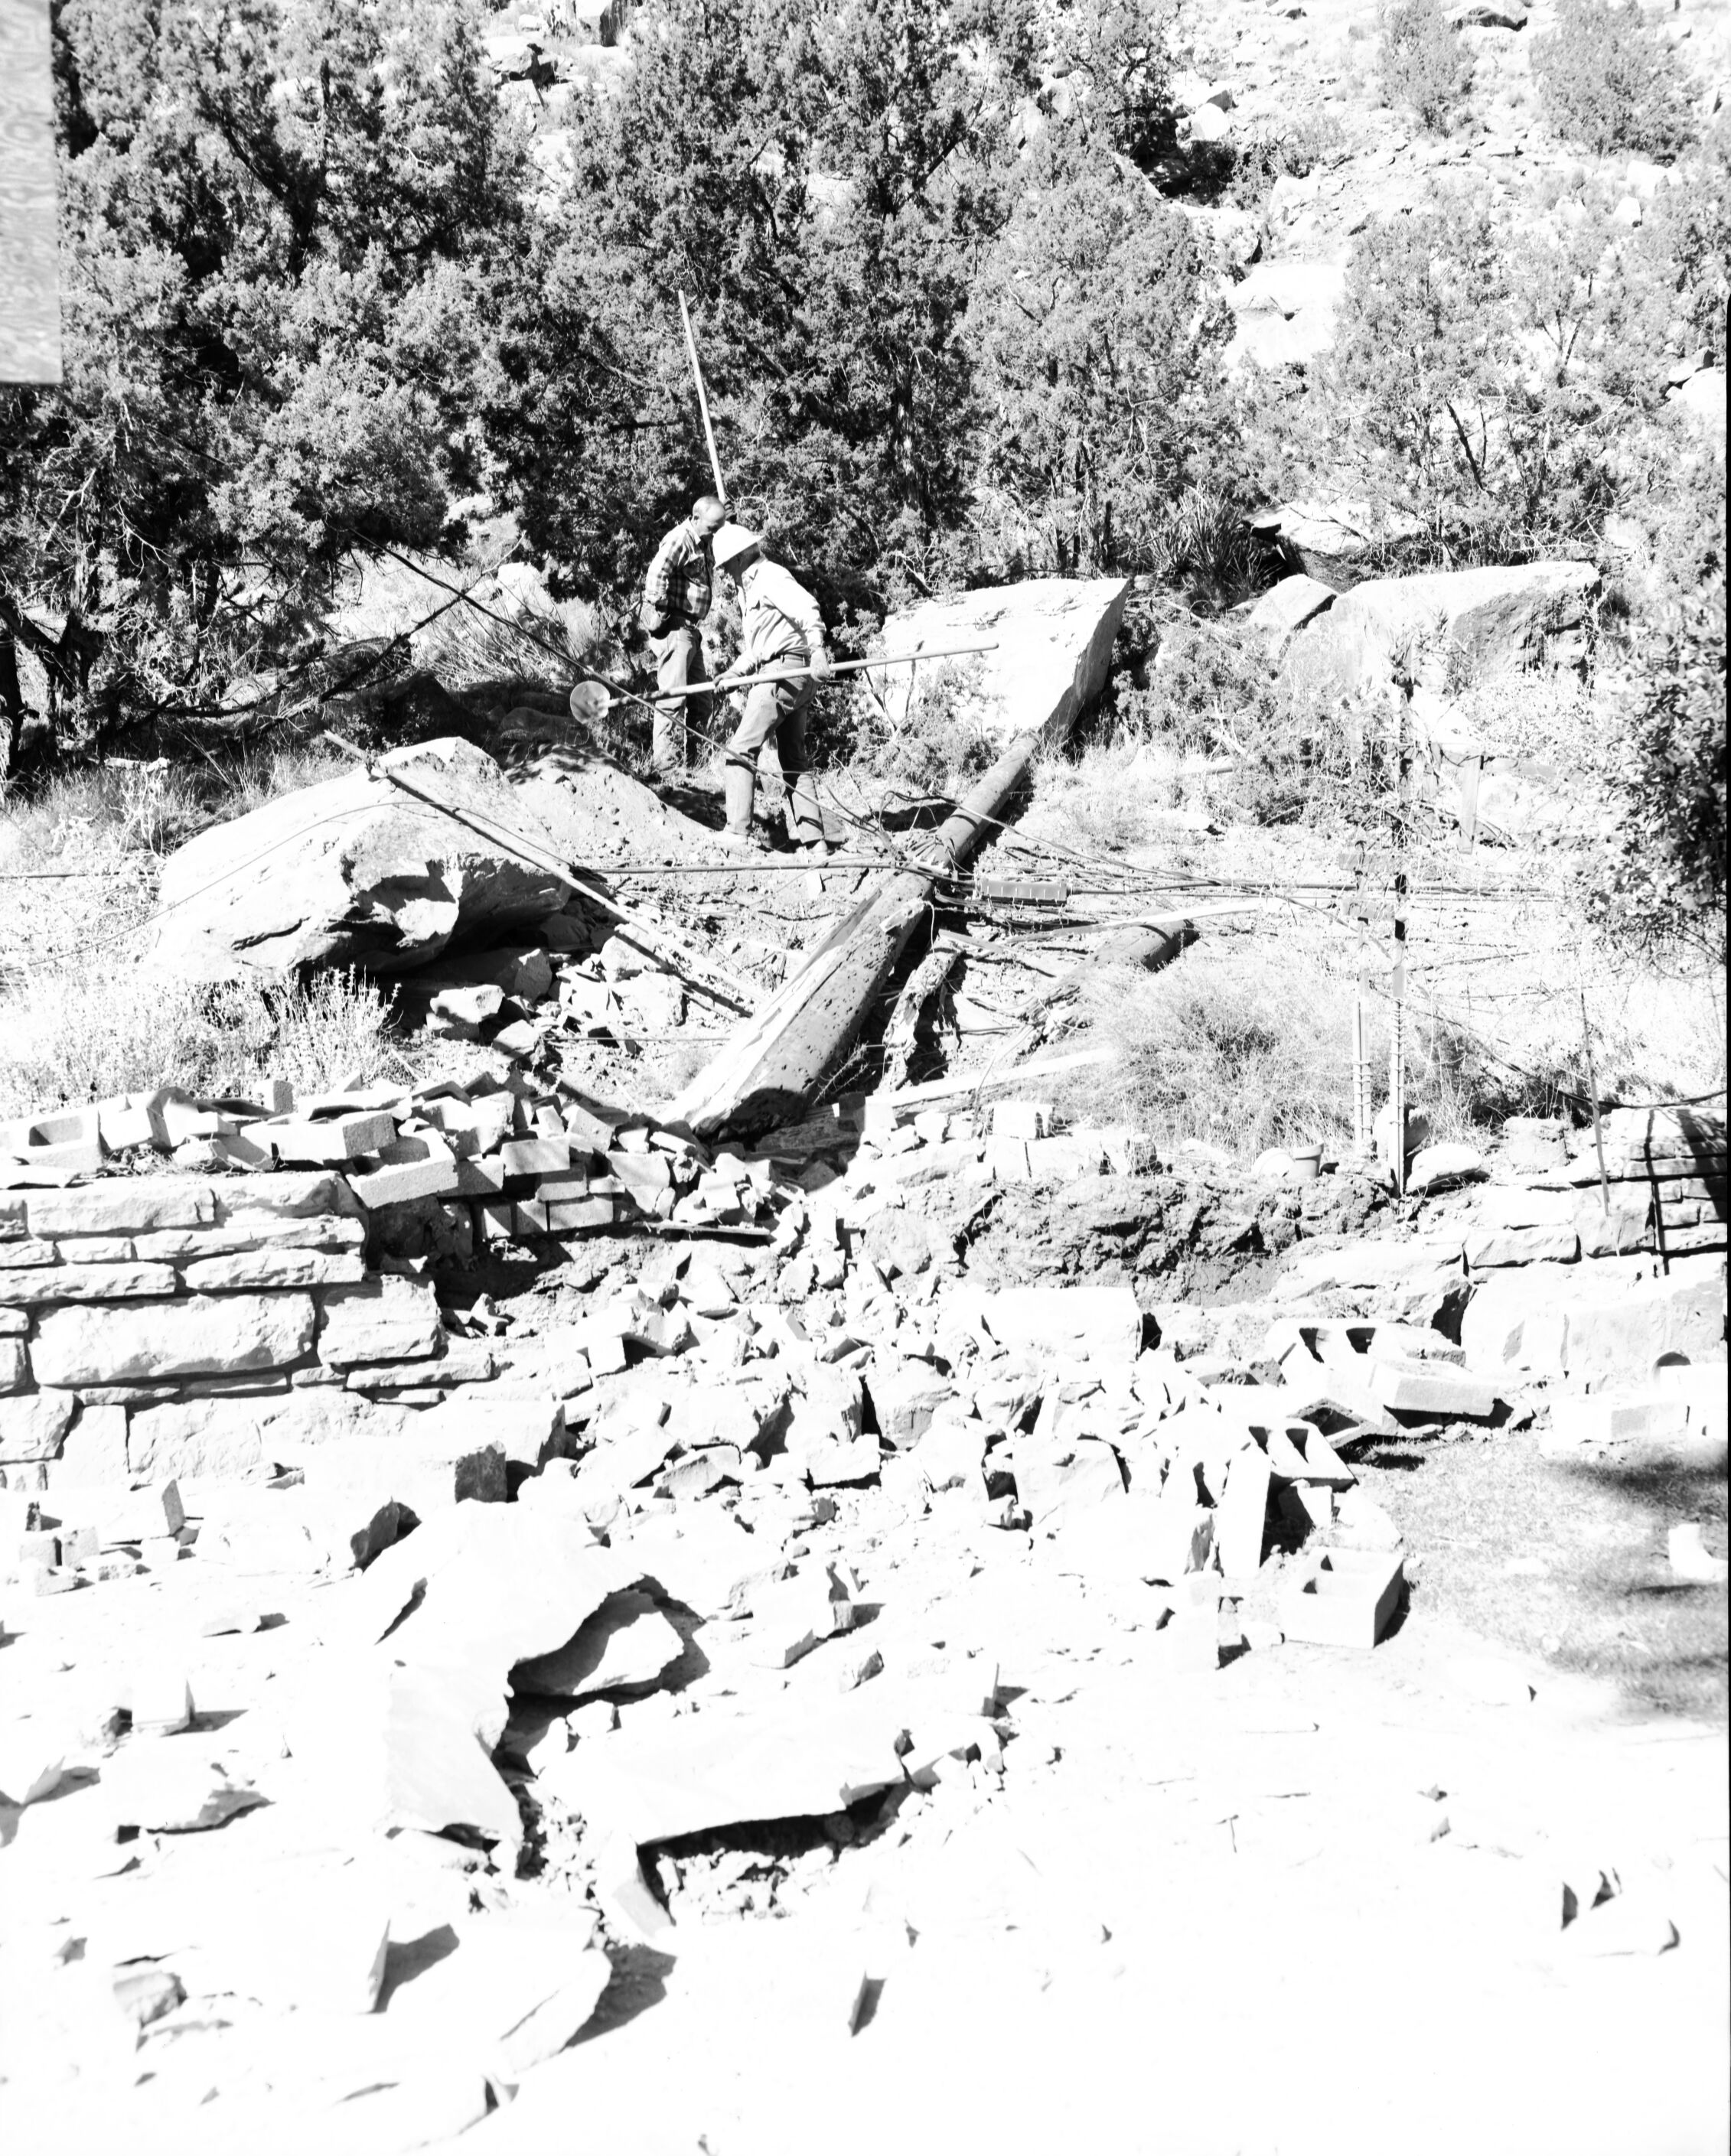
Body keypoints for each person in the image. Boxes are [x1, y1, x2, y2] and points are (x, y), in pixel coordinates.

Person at [710, 522, 833, 856]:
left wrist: (818, 648)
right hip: (786, 668)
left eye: (725, 567)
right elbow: (759, 646)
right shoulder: (749, 589)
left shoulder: (770, 577)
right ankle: (816, 842)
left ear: (738, 559)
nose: (725, 574)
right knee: (793, 757)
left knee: (741, 747)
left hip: (788, 669)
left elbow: (807, 606)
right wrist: (734, 672)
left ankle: (737, 832)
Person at [638, 493, 727, 779]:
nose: (715, 533)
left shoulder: (703, 539)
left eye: (719, 527)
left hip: (691, 631)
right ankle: (668, 769)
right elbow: (655, 576)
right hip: (676, 627)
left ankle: (697, 765)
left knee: (702, 700)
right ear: (696, 518)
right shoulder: (681, 538)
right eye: (712, 527)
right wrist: (663, 609)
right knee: (673, 698)